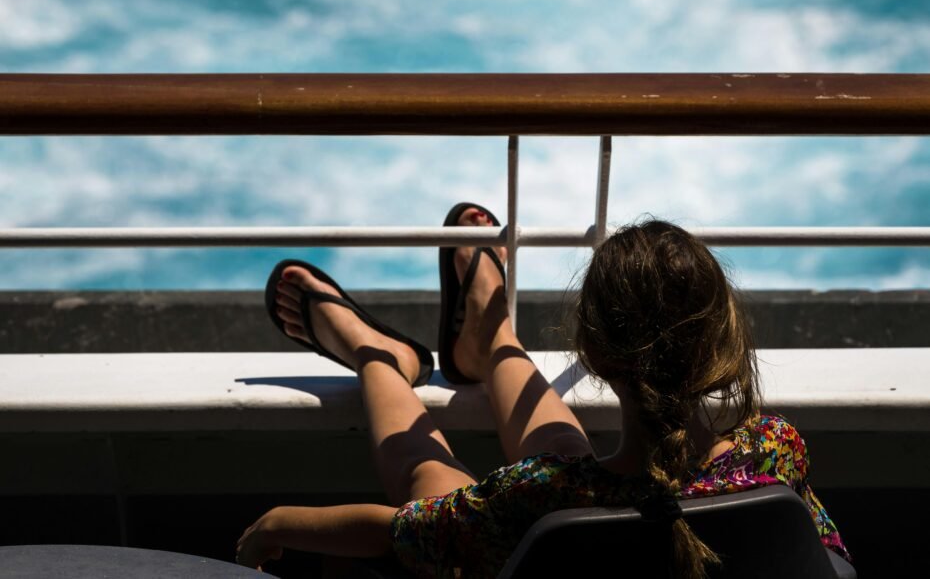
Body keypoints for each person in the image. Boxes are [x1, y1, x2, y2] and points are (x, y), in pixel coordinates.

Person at [236, 206, 849, 578]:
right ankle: (487, 334)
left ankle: (379, 357)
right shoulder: (773, 453)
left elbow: (405, 530)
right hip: (580, 486)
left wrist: (276, 522)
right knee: (560, 453)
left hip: (540, 504)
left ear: (596, 357)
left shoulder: (546, 499)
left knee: (432, 480)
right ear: (728, 341)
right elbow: (829, 556)